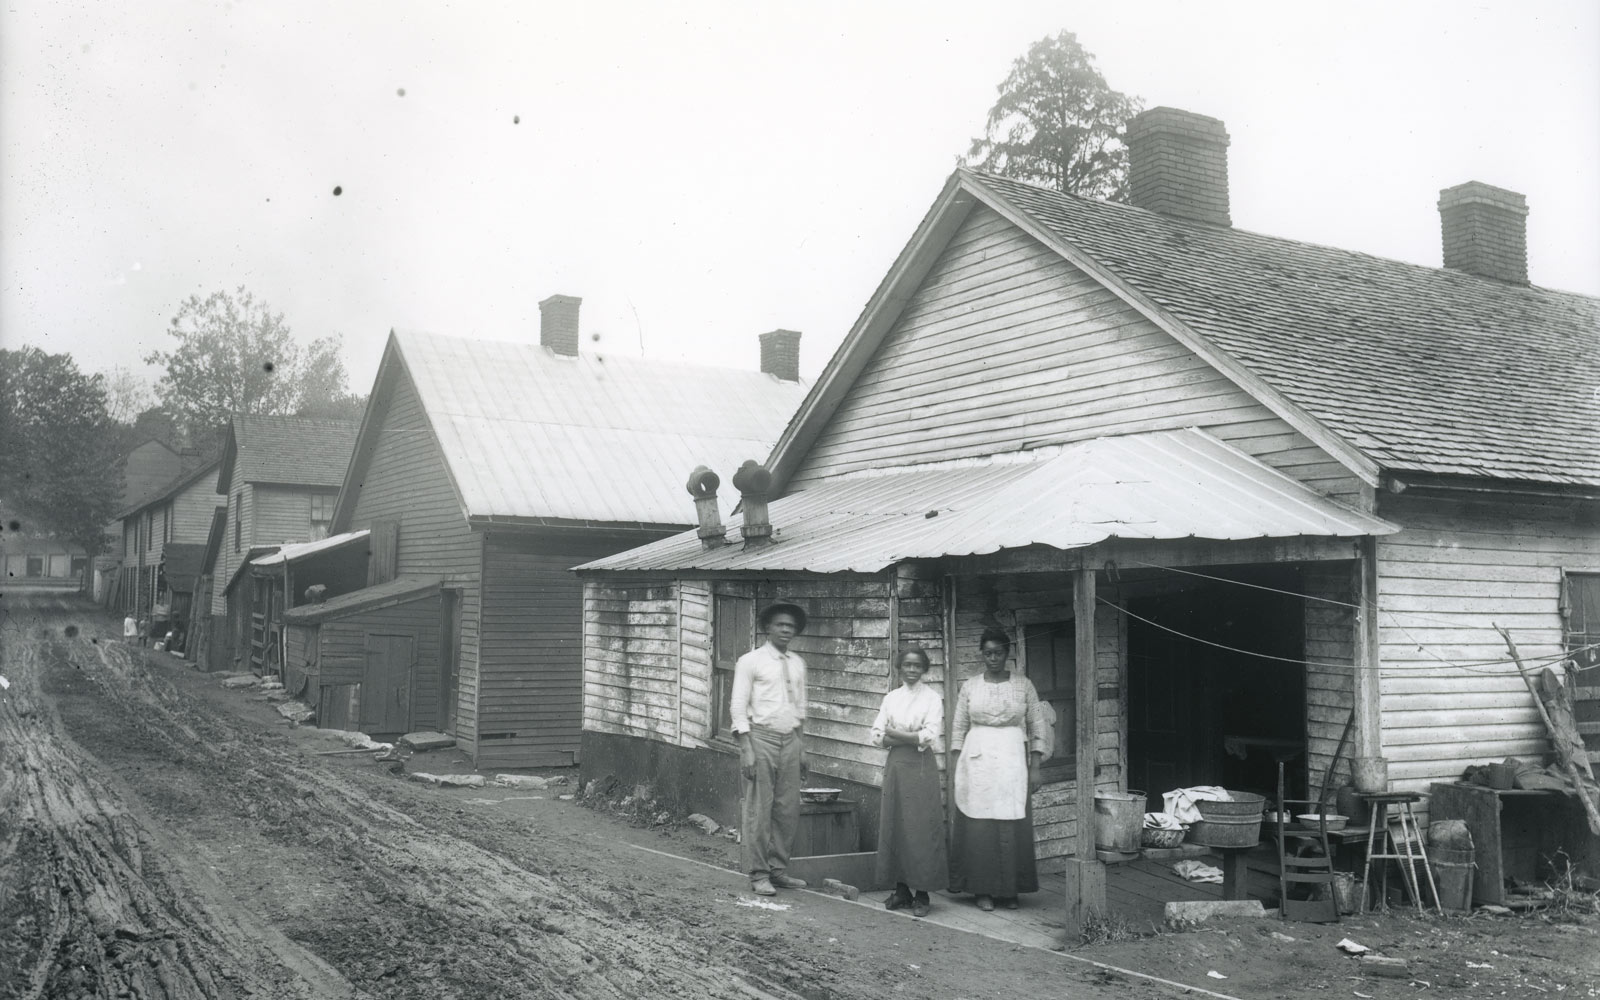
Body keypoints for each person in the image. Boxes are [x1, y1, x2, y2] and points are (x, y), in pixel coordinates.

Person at [948, 626, 1050, 912]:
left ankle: (1009, 890)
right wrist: (956, 765)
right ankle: (982, 890)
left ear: (1007, 654)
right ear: (982, 654)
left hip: (1011, 760)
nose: (993, 658)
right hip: (977, 758)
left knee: (1009, 822)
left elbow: (1037, 726)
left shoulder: (1023, 685)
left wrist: (1036, 767)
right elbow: (958, 727)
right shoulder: (970, 685)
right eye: (988, 653)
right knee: (980, 825)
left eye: (999, 653)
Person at [730, 602, 811, 897]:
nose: (786, 630)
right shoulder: (750, 661)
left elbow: (800, 708)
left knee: (787, 809)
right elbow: (738, 707)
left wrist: (801, 748)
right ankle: (759, 873)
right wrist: (746, 749)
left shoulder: (798, 663)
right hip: (760, 739)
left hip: (790, 739)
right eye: (780, 624)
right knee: (759, 810)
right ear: (768, 627)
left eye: (791, 626)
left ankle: (778, 870)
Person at [871, 646, 948, 918]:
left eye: (917, 665)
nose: (912, 670)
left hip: (921, 767)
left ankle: (922, 893)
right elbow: (878, 736)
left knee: (920, 828)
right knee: (897, 825)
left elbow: (928, 736)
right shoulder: (891, 698)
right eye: (907, 665)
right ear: (899, 668)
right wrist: (903, 735)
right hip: (896, 766)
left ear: (924, 669)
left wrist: (895, 733)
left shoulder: (932, 699)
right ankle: (902, 889)